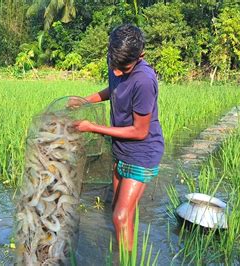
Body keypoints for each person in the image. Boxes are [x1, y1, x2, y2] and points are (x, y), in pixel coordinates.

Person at [72, 24, 164, 251]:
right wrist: (85, 100)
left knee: (121, 217)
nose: (116, 72)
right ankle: (120, 251)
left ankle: (127, 259)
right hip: (121, 150)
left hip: (142, 153)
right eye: (113, 65)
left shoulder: (144, 81)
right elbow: (112, 88)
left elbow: (140, 131)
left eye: (124, 68)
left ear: (141, 56)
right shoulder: (117, 61)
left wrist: (93, 127)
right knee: (117, 208)